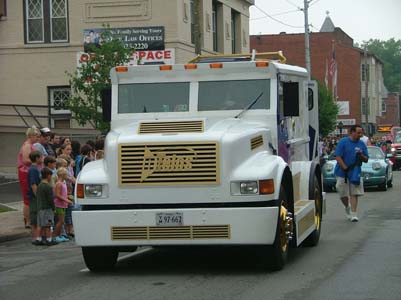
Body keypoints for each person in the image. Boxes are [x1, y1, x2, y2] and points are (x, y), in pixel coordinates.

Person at [334, 125, 369, 222]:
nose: (360, 135)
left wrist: (361, 155)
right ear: (352, 132)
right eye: (358, 133)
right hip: (342, 173)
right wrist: (345, 167)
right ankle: (347, 206)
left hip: (355, 172)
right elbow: (337, 156)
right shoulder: (343, 142)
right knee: (342, 192)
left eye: (361, 133)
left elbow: (366, 159)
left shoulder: (361, 144)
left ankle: (354, 214)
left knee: (354, 193)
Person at [17, 126, 41, 228]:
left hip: (29, 172)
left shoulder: (30, 145)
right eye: (36, 135)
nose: (38, 137)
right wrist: (38, 161)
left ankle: (30, 219)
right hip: (25, 173)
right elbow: (26, 160)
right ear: (30, 135)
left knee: (30, 196)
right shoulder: (27, 146)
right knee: (28, 197)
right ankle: (27, 220)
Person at [36, 167, 58, 246]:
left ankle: (38, 239)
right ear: (48, 175)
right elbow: (50, 199)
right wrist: (53, 208)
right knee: (48, 225)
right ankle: (49, 240)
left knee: (40, 225)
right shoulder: (48, 187)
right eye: (51, 176)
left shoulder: (39, 185)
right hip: (47, 209)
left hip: (40, 208)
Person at [52, 167, 73, 243]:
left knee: (61, 221)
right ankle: (55, 236)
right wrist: (66, 200)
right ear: (63, 175)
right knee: (60, 221)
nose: (67, 176)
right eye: (66, 175)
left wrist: (68, 197)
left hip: (63, 204)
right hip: (59, 204)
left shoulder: (62, 183)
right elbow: (57, 195)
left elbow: (62, 194)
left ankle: (59, 236)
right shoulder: (58, 184)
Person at [27, 150, 43, 245]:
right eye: (41, 157)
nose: (42, 159)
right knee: (35, 218)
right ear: (37, 158)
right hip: (34, 198)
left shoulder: (36, 168)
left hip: (36, 197)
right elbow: (33, 184)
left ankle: (38, 237)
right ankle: (35, 238)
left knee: (38, 217)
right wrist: (38, 196)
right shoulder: (33, 169)